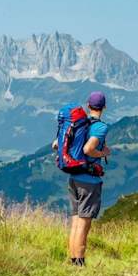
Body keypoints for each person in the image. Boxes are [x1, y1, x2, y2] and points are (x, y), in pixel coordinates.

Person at [54, 91, 110, 266]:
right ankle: (79, 263)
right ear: (104, 107)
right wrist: (103, 152)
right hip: (89, 181)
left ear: (88, 105)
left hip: (73, 177)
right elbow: (88, 149)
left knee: (76, 221)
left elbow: (55, 144)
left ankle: (73, 260)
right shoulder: (100, 127)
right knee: (84, 224)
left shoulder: (78, 124)